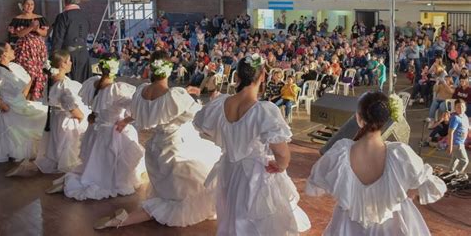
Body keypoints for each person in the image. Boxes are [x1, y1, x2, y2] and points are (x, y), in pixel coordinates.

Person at [93, 51, 221, 229]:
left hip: (155, 152)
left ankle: (124, 219)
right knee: (211, 167)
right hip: (176, 151)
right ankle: (126, 219)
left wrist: (124, 121)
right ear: (169, 70)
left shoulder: (140, 92)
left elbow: (141, 112)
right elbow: (199, 118)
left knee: (170, 198)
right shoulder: (175, 96)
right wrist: (213, 101)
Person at [192, 53, 311, 236]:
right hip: (255, 173)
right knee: (256, 222)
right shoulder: (264, 110)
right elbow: (282, 153)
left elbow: (203, 127)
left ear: (237, 77)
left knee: (233, 216)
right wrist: (280, 166)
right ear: (263, 76)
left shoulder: (221, 103)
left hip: (229, 170)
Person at [306, 91, 446, 235]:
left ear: (359, 118)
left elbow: (315, 185)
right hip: (394, 226)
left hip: (348, 227)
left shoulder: (340, 152)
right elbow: (432, 187)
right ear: (386, 120)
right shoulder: (400, 155)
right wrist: (403, 193)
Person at [46, 57, 145, 199]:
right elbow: (137, 109)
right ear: (115, 71)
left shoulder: (93, 84)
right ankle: (104, 179)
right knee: (117, 152)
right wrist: (125, 121)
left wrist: (93, 115)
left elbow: (95, 106)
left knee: (95, 160)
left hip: (94, 131)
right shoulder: (117, 89)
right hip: (111, 131)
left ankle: (90, 176)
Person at [6, 50, 90, 176]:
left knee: (55, 150)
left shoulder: (53, 81)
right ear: (62, 64)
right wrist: (82, 118)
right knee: (67, 151)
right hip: (66, 121)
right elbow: (72, 108)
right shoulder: (63, 85)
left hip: (56, 119)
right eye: (69, 61)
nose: (71, 63)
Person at [0, 43, 47, 163]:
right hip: (10, 107)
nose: (14, 50)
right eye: (11, 49)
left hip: (20, 102)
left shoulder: (13, 66)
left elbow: (29, 79)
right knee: (43, 115)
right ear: (4, 54)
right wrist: (2, 105)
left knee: (43, 110)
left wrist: (24, 95)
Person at [8, 0, 49, 100]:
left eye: (32, 4)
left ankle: (33, 97)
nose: (30, 6)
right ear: (23, 6)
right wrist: (31, 27)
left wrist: (37, 29)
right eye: (27, 4)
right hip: (24, 48)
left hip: (38, 48)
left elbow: (44, 33)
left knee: (38, 72)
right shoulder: (17, 19)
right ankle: (23, 97)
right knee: (27, 71)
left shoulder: (40, 18)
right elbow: (19, 34)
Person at [52, 0, 92, 83]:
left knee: (66, 86)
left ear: (65, 0)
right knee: (83, 86)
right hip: (83, 54)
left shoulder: (63, 16)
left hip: (67, 57)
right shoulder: (85, 16)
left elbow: (57, 39)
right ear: (78, 1)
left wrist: (54, 58)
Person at [447, 99, 470, 178]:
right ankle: (457, 176)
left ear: (465, 107)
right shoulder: (455, 118)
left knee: (455, 159)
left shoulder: (465, 116)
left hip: (461, 142)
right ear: (455, 108)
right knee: (464, 161)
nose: (461, 109)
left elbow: (467, 127)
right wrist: (450, 146)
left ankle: (449, 174)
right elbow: (450, 132)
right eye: (458, 107)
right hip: (457, 144)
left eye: (462, 107)